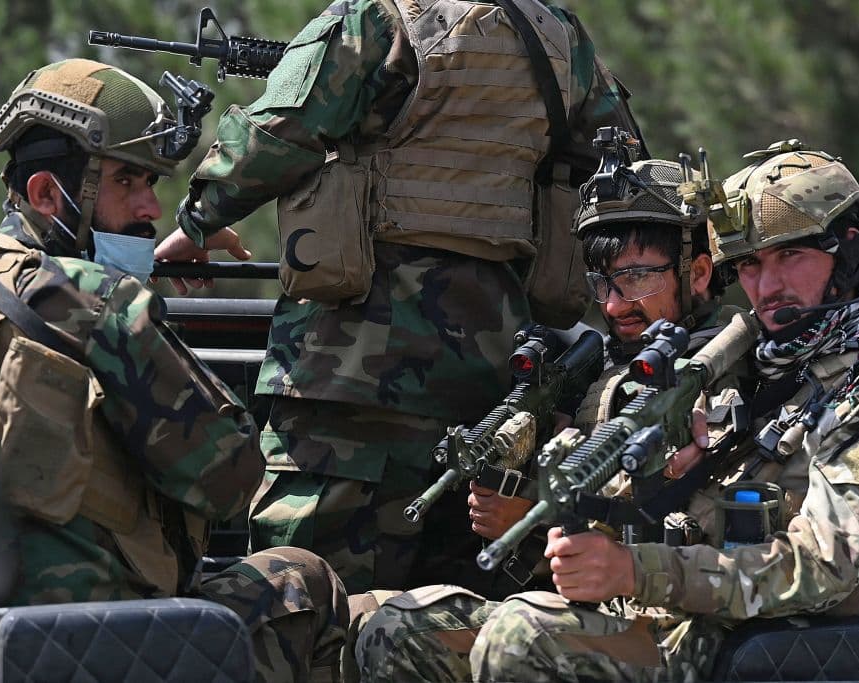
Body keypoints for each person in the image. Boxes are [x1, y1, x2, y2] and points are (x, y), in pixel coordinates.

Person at [355, 140, 859, 682]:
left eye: (790, 255)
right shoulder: (749, 363)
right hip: (668, 616)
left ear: (845, 250)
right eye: (750, 264)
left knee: (522, 638)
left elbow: (822, 568)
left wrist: (635, 571)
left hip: (755, 639)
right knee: (399, 629)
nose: (767, 284)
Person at [153, 0, 645, 595]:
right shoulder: (558, 36)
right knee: (452, 613)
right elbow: (624, 166)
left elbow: (278, 132)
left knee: (309, 598)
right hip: (491, 384)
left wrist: (198, 219)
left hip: (351, 374)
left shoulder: (376, 16)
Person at [0, 59, 346, 683]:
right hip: (100, 646)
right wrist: (129, 305)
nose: (150, 205)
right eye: (125, 180)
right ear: (47, 194)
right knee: (304, 580)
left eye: (151, 182)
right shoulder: (100, 304)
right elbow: (231, 477)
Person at [353, 152, 742, 681]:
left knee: (515, 636)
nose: (614, 306)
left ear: (697, 273)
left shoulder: (724, 372)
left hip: (679, 625)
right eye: (604, 283)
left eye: (635, 278)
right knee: (392, 627)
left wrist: (534, 521)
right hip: (588, 608)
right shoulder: (604, 369)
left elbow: (700, 530)